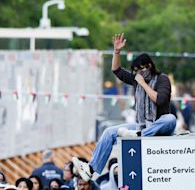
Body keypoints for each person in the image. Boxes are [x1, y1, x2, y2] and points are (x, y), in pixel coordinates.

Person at [72, 33, 176, 182]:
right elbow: (117, 71)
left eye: (140, 70)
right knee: (109, 132)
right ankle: (91, 168)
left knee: (170, 119)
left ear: (149, 67)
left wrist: (143, 84)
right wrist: (117, 52)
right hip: (141, 126)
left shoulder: (162, 79)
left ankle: (140, 134)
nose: (137, 74)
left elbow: (160, 100)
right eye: (135, 71)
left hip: (159, 126)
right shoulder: (136, 80)